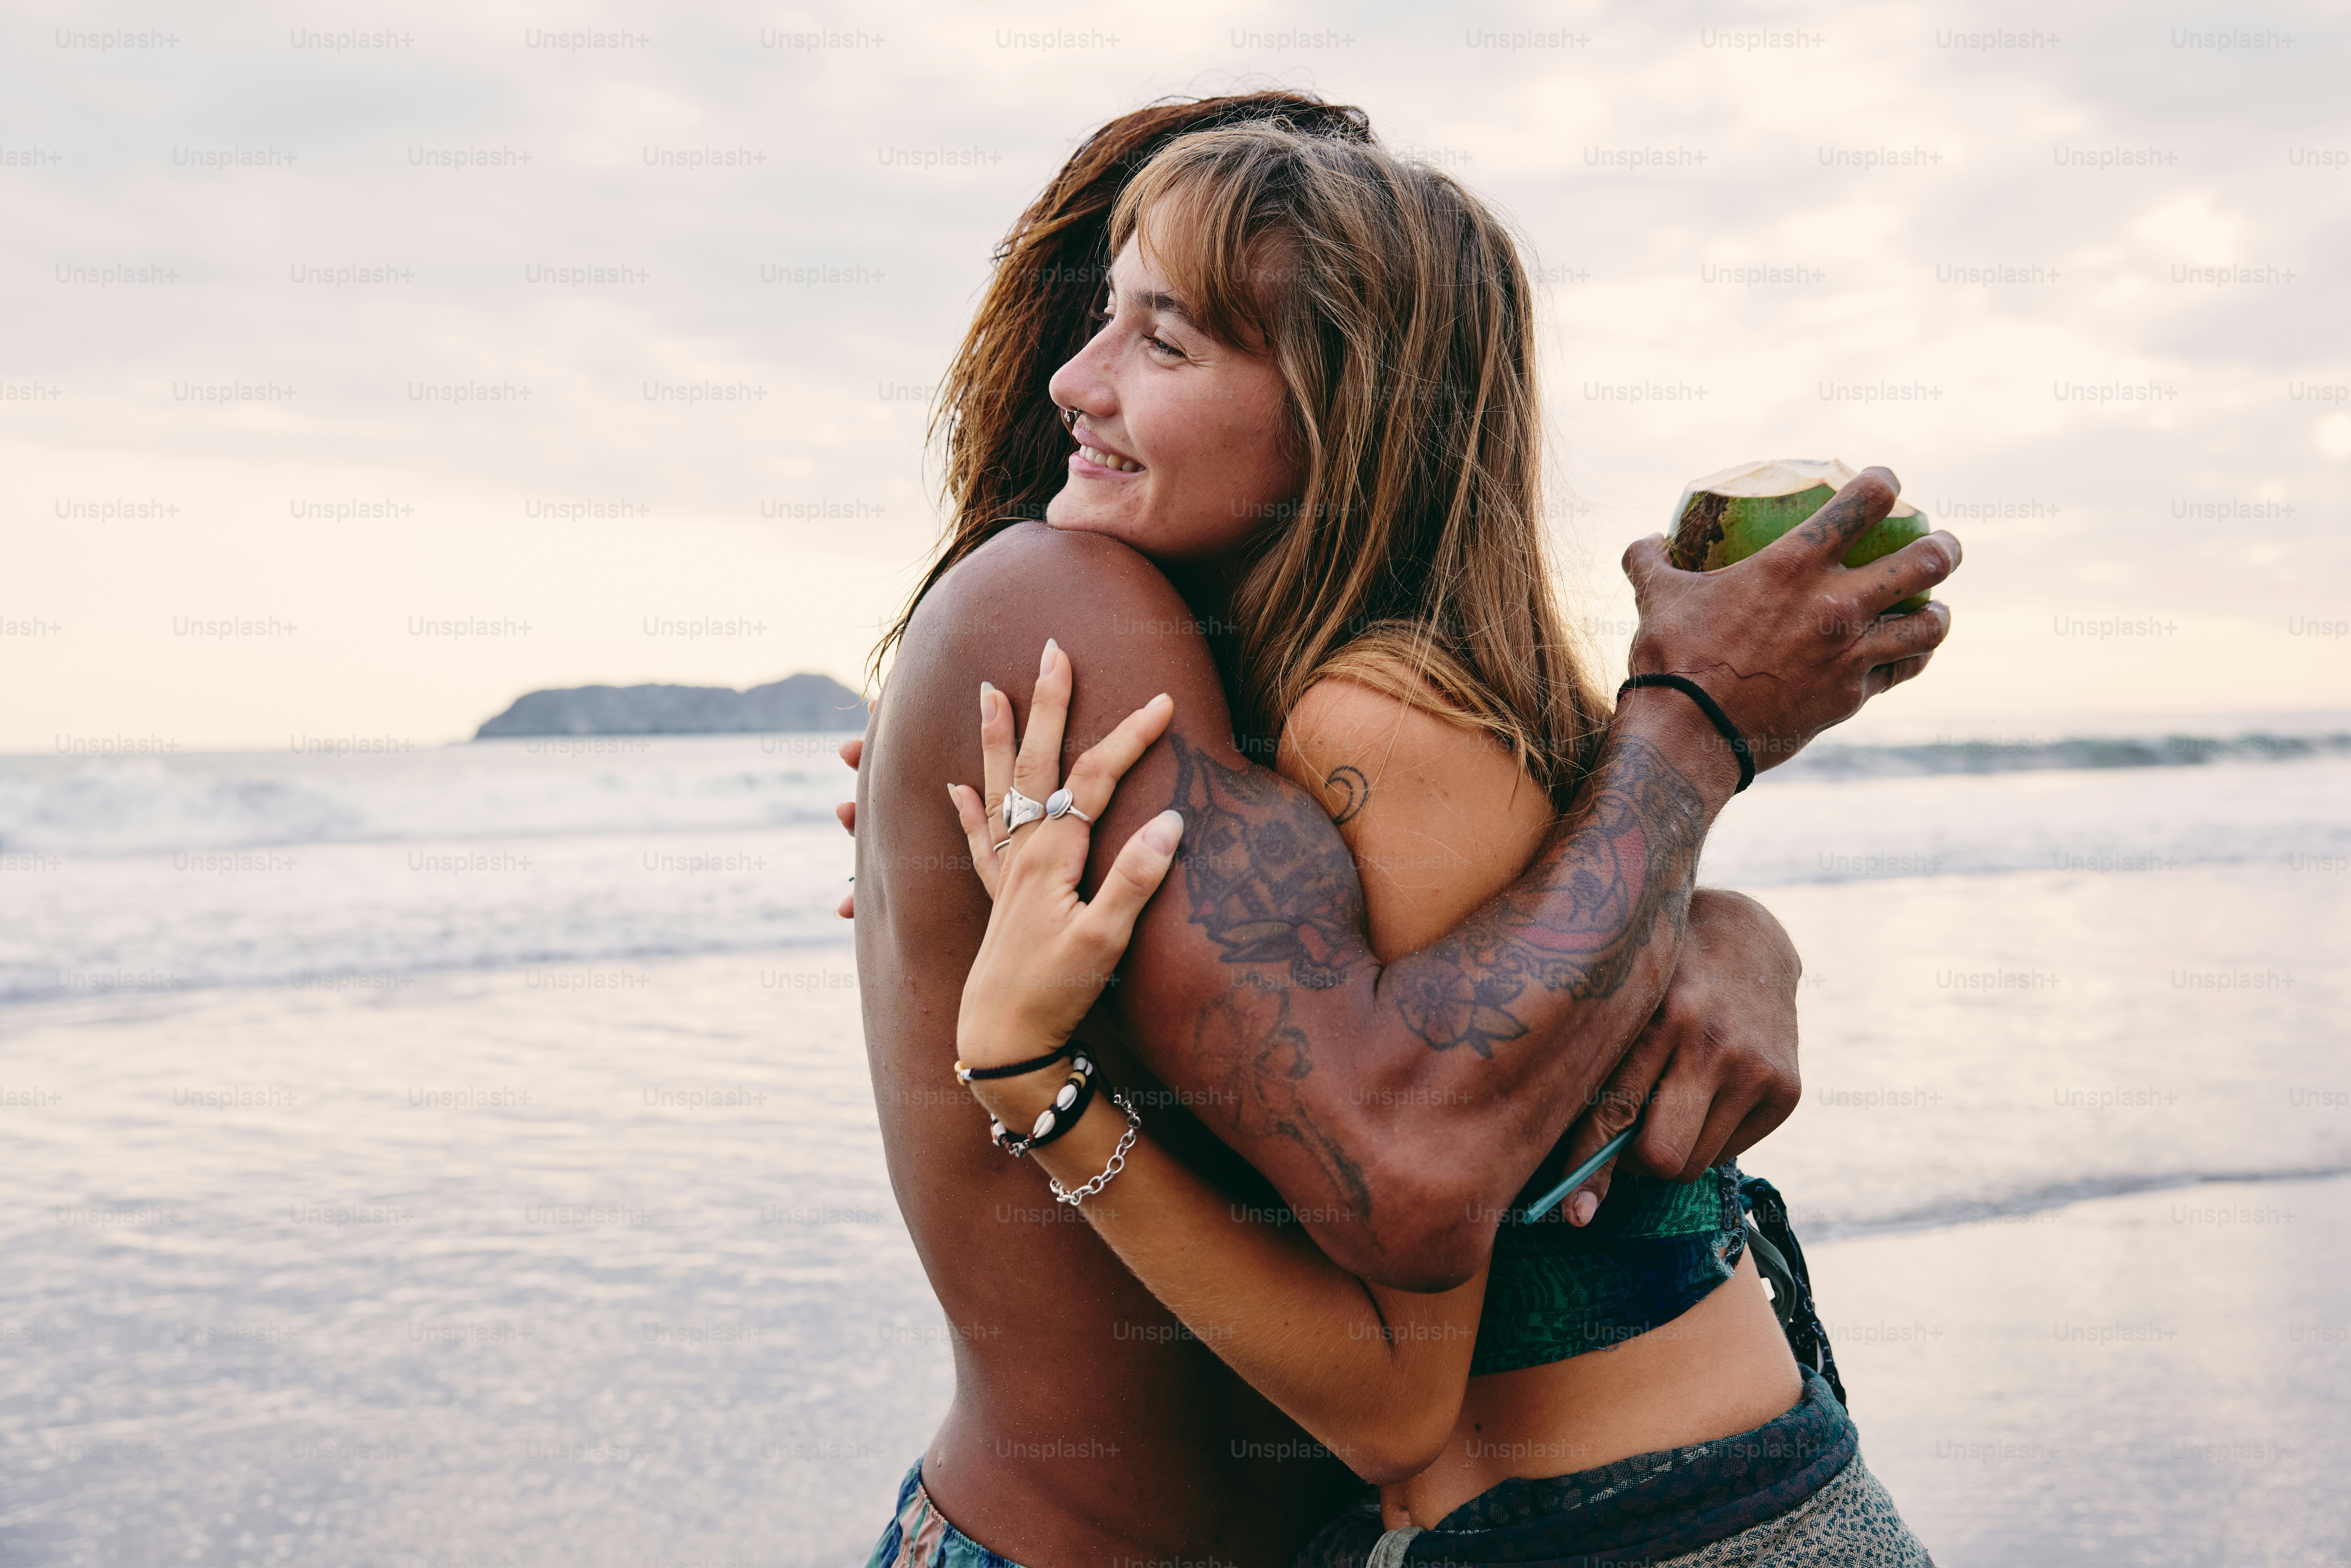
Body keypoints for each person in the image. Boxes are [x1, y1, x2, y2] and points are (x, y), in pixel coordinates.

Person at [850, 101, 1955, 1567]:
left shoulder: (1334, 698)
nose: (1075, 380)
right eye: (1111, 318)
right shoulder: (1059, 602)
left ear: (1347, 418)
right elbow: (1413, 1168)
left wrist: (1721, 926)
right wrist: (1693, 730)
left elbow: (1449, 1016)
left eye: (1167, 340)